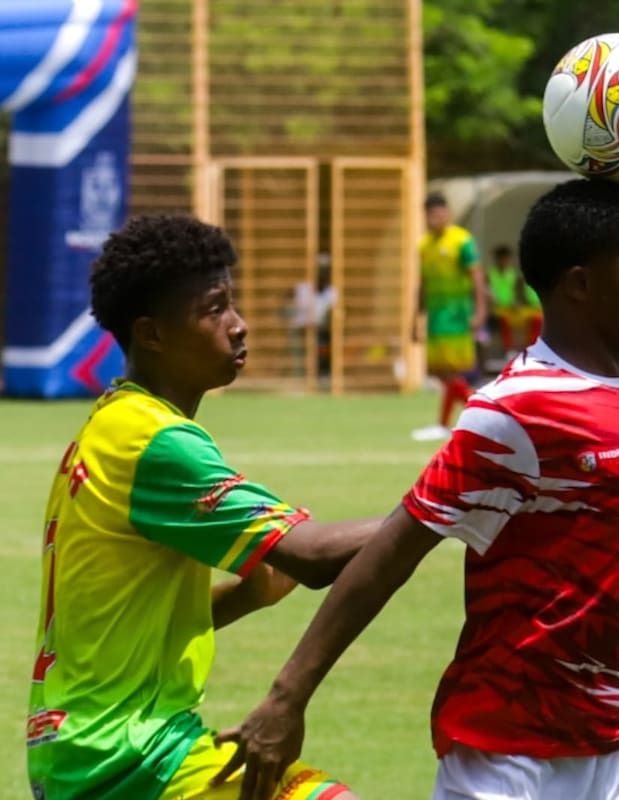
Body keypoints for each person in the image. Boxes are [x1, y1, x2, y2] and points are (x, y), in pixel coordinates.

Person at [213, 179, 619, 800]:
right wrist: (288, 698)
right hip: (511, 753)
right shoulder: (514, 410)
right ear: (579, 285)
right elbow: (394, 550)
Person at [26, 215, 375, 800]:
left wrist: (249, 593)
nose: (238, 326)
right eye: (214, 310)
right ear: (152, 334)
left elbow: (120, 620)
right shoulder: (155, 441)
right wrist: (455, 499)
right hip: (127, 756)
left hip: (90, 748)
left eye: (232, 305)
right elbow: (312, 558)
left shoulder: (115, 425)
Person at [414, 192, 488, 442]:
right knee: (440, 371)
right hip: (436, 316)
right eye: (432, 215)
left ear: (447, 213)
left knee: (452, 372)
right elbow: (422, 284)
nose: (437, 218)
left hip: (457, 316)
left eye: (440, 213)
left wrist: (480, 310)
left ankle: (484, 415)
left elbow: (477, 277)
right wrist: (416, 317)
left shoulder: (461, 241)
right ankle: (454, 421)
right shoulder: (424, 246)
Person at [486, 244, 542, 357]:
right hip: (496, 310)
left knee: (536, 318)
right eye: (501, 259)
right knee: (504, 320)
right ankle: (509, 350)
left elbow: (520, 296)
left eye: (506, 259)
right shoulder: (489, 274)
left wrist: (517, 304)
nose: (504, 261)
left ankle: (531, 349)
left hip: (512, 309)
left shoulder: (514, 275)